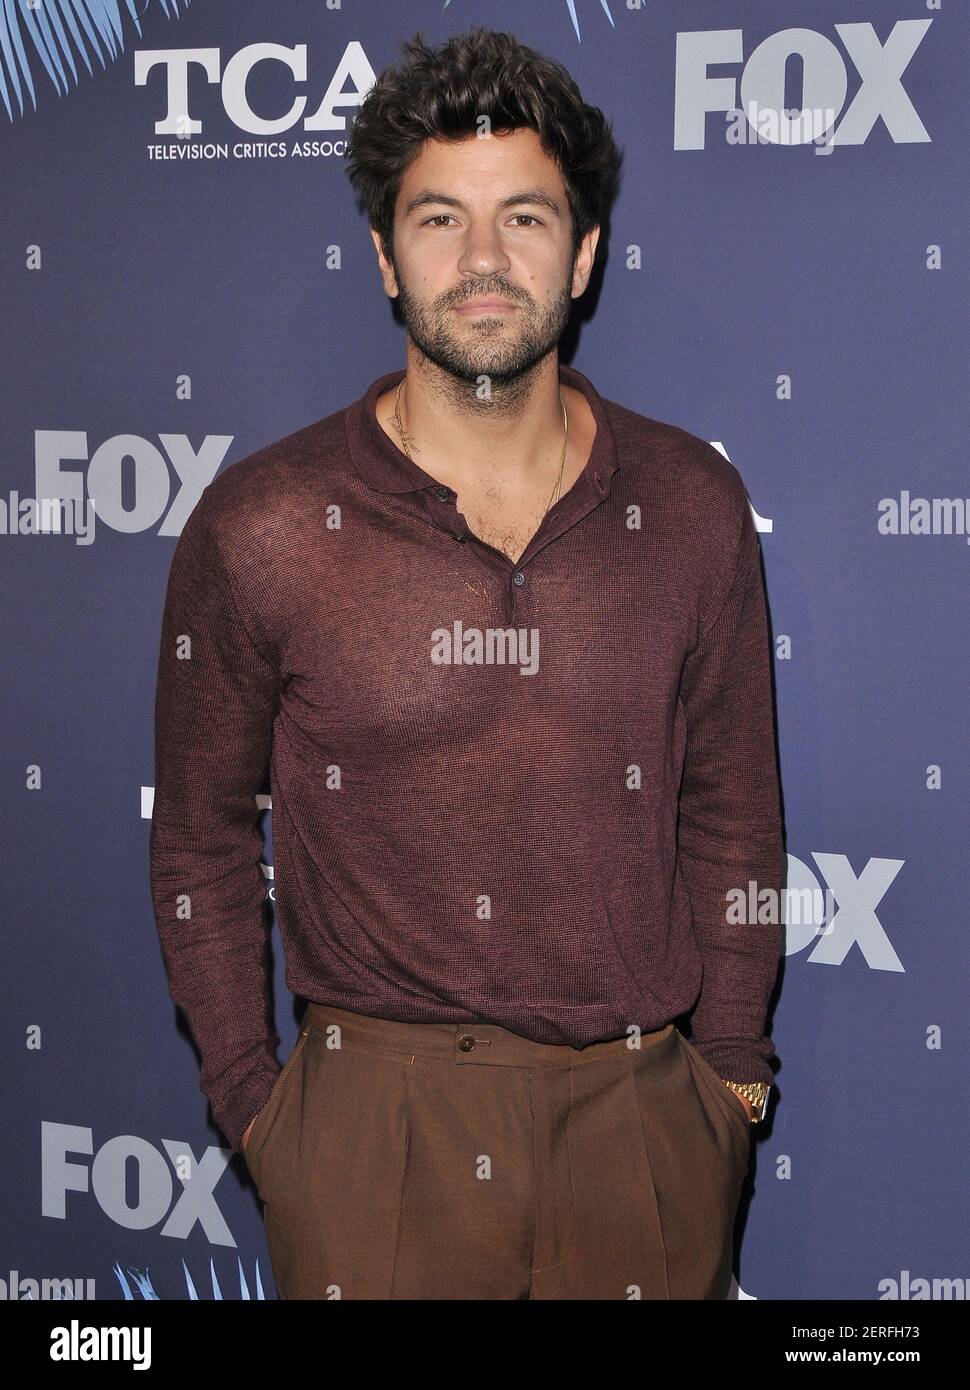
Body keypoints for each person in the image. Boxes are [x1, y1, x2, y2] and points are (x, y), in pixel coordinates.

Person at [149, 26, 785, 1301]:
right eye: (441, 218)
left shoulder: (693, 503)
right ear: (385, 257)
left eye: (527, 219)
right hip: (373, 1136)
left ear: (586, 252)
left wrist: (728, 1077)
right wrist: (256, 1107)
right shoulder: (262, 523)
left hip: (647, 1122)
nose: (484, 260)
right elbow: (201, 839)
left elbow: (732, 812)